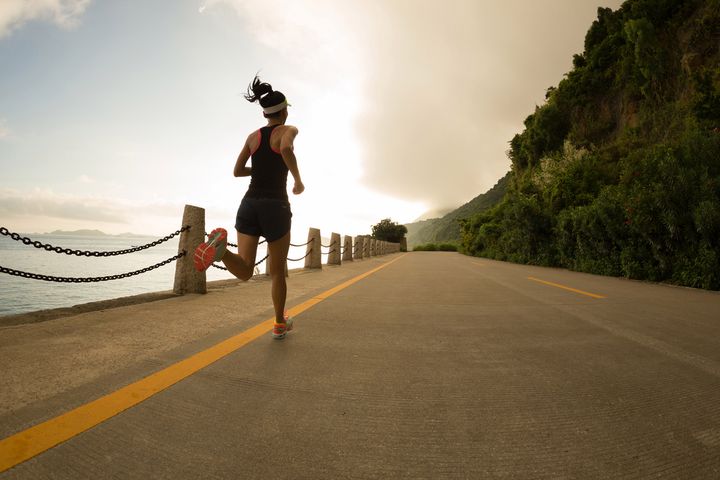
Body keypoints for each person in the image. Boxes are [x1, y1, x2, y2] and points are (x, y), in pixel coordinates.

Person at [193, 74, 305, 339]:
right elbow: (287, 149)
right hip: (276, 206)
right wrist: (297, 180)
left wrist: (263, 166)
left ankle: (220, 251)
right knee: (277, 272)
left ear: (266, 113)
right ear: (285, 110)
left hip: (249, 204)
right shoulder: (288, 130)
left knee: (244, 269)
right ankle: (279, 322)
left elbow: (237, 171)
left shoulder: (252, 137)